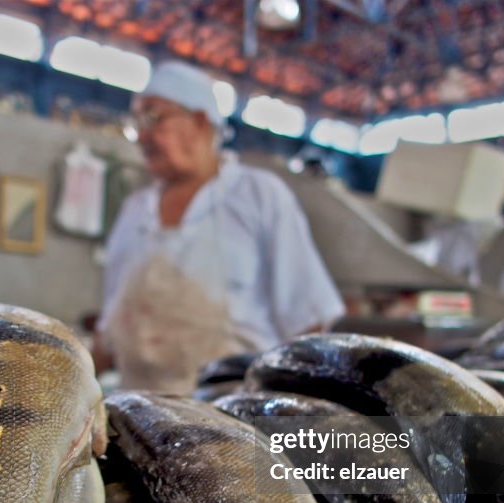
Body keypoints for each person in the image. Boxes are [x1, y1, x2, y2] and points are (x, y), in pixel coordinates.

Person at [92, 61, 346, 392]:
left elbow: (309, 319)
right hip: (138, 414)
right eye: (137, 120)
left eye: (153, 118)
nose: (141, 134)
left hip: (233, 418)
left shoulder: (259, 195)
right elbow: (111, 328)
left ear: (199, 121)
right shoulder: (134, 210)